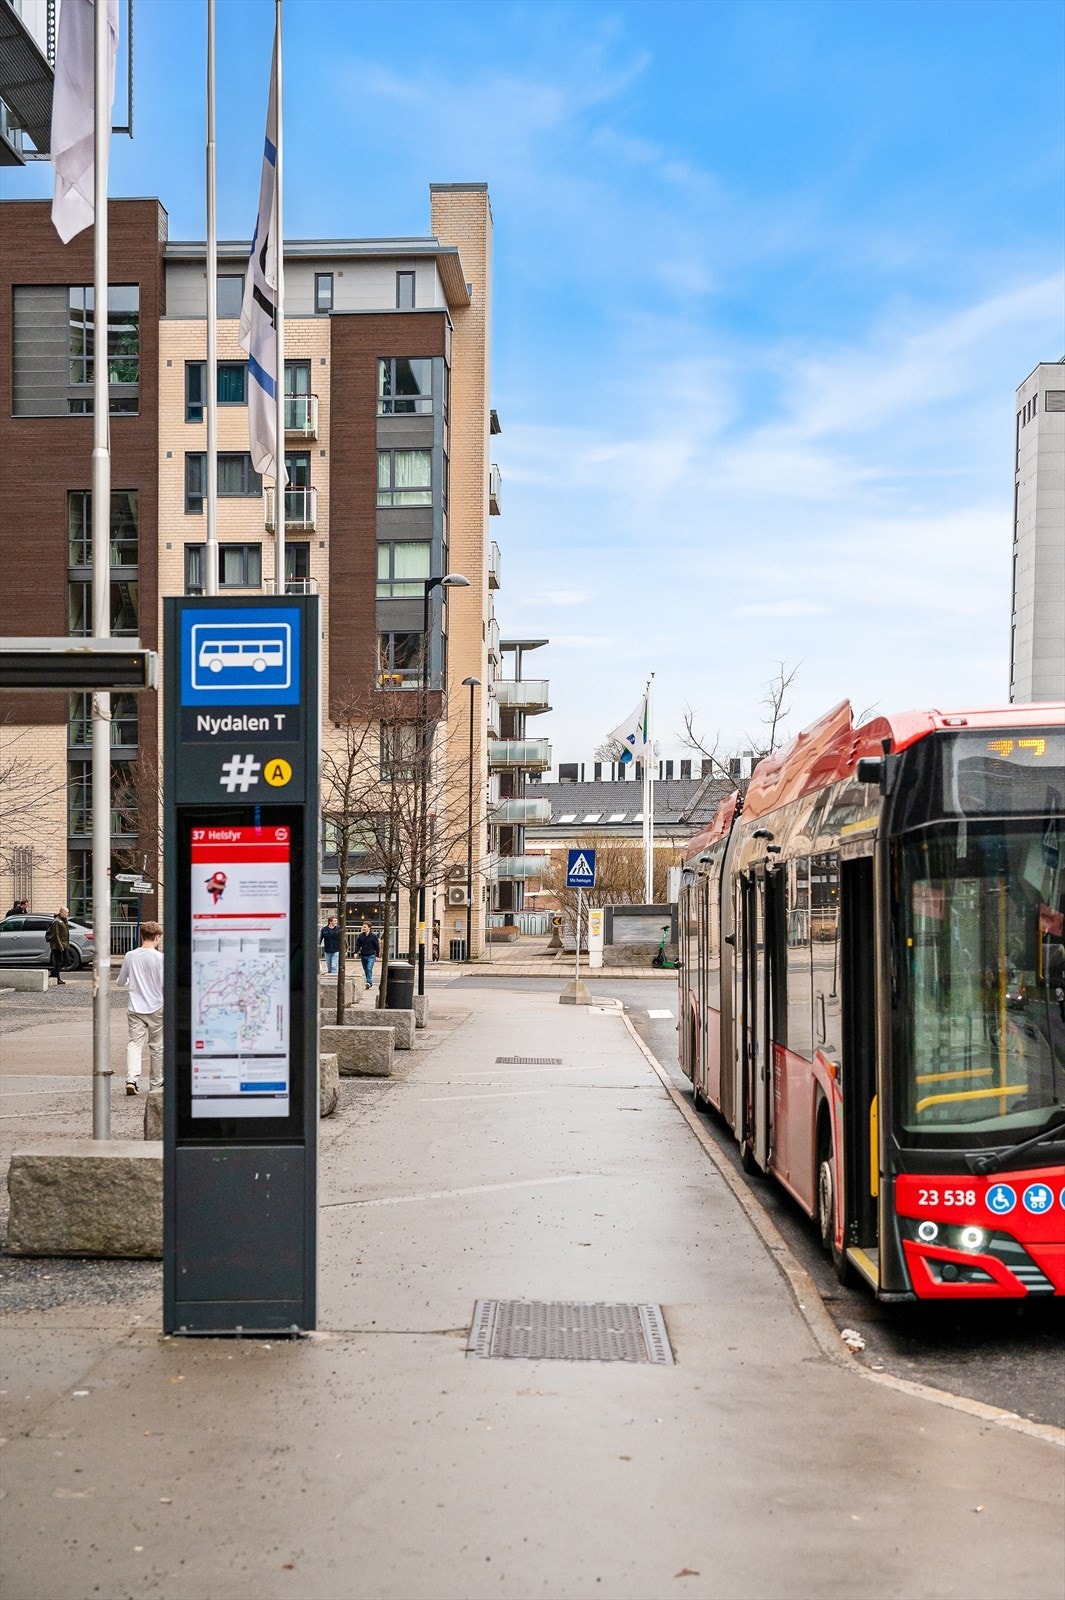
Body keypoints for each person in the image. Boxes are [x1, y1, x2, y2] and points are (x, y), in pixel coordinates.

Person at [115, 921, 164, 1096]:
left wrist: (129, 981)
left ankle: (131, 1079)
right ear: (157, 937)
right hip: (157, 1006)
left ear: (141, 936)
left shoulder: (130, 955)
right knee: (157, 1046)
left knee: (134, 1043)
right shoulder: (160, 958)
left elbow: (121, 981)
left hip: (135, 1007)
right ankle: (156, 1084)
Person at [46, 907, 71, 985]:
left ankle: (53, 973)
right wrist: (60, 946)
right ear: (62, 912)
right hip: (57, 946)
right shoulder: (57, 921)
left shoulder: (63, 921)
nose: (67, 914)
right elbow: (56, 935)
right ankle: (57, 978)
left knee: (65, 961)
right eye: (66, 912)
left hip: (64, 944)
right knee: (58, 962)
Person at [355, 921, 380, 990]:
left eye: (365, 927)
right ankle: (368, 982)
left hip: (371, 955)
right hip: (363, 955)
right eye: (363, 927)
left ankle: (369, 982)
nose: (363, 928)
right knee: (366, 969)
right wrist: (355, 952)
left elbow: (377, 946)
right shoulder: (361, 936)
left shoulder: (373, 936)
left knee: (369, 968)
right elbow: (358, 945)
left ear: (369, 928)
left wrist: (377, 955)